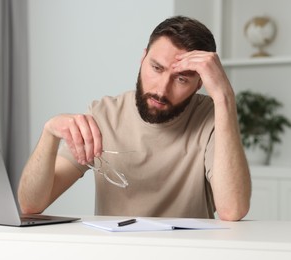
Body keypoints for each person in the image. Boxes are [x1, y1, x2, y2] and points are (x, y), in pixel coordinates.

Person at [18, 15, 251, 221]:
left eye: (182, 79)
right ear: (142, 59)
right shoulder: (105, 115)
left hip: (189, 252)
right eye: (156, 68)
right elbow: (32, 204)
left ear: (200, 82)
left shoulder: (211, 115)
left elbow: (232, 210)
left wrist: (224, 96)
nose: (161, 89)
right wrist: (49, 134)